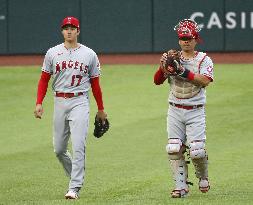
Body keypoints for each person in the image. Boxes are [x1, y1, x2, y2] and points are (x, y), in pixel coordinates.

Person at [34, 16, 108, 200]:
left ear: (78, 31)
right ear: (62, 31)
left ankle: (74, 187)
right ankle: (75, 175)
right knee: (59, 149)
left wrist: (101, 108)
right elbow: (44, 80)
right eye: (66, 28)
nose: (69, 31)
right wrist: (39, 102)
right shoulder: (52, 53)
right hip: (59, 101)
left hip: (80, 102)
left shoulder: (89, 54)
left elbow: (95, 84)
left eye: (72, 28)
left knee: (78, 145)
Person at [153, 19, 214, 198]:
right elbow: (157, 81)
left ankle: (203, 176)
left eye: (189, 38)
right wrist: (163, 66)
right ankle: (180, 187)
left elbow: (205, 81)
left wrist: (183, 72)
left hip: (195, 109)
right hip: (175, 109)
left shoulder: (204, 59)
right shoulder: (172, 58)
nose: (185, 41)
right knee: (173, 148)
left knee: (197, 150)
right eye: (182, 38)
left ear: (196, 39)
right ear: (179, 40)